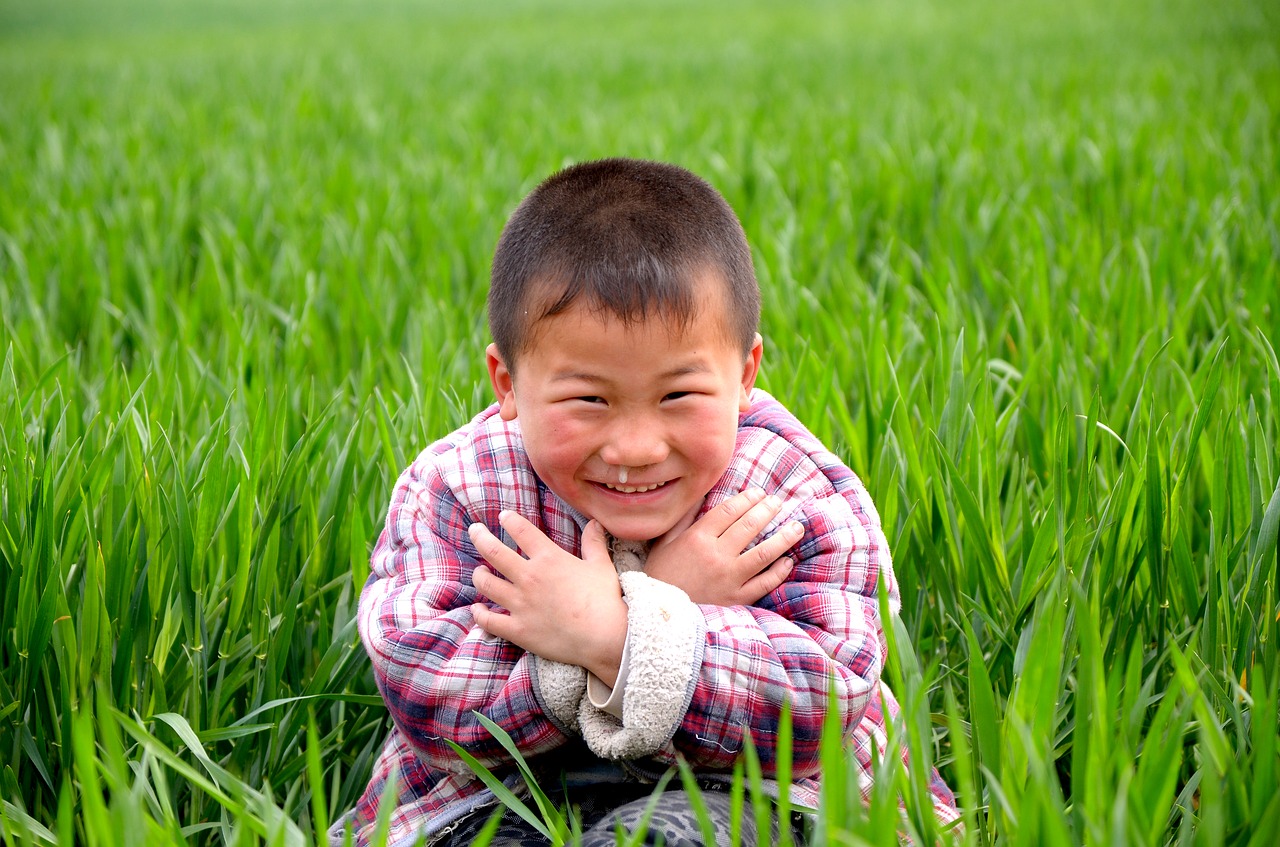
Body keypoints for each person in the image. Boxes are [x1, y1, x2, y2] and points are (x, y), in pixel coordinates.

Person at [330, 158, 959, 846]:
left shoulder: (790, 489)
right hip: (502, 793)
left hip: (740, 791)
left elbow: (824, 697)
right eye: (589, 400)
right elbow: (425, 688)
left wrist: (619, 627)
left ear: (744, 374)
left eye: (678, 396)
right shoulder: (457, 488)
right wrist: (646, 602)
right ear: (506, 381)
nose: (635, 446)